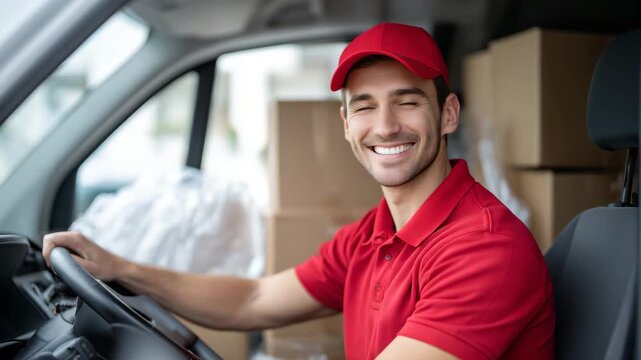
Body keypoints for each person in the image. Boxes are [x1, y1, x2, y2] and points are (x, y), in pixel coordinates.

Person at [43, 22, 554, 359]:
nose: (385, 126)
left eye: (407, 101)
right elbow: (256, 299)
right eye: (364, 106)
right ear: (346, 124)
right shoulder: (372, 235)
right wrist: (121, 269)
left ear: (447, 114)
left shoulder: (484, 248)